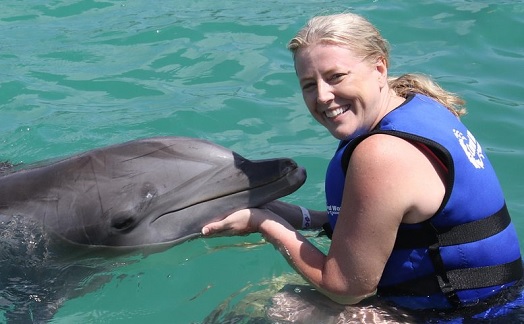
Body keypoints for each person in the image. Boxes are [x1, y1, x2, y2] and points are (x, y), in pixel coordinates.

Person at [201, 12, 522, 315]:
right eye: (309, 85)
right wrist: (297, 217)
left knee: (270, 306)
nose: (324, 96)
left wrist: (264, 224)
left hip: (470, 316)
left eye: (336, 77)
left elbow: (345, 289)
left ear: (380, 68)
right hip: (500, 299)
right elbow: (401, 223)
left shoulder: (382, 153)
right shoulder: (417, 104)